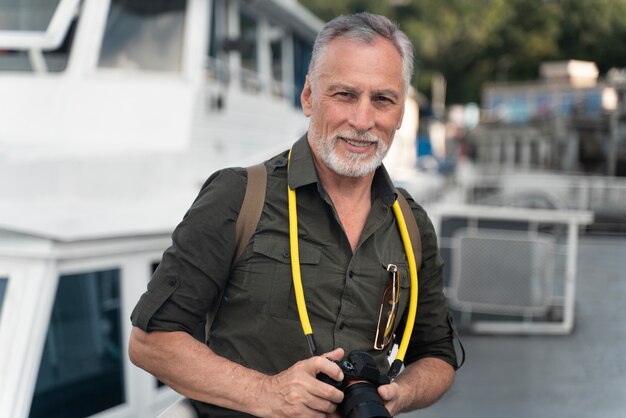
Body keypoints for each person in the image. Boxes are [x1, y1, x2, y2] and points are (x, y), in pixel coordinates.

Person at [129, 12, 459, 417]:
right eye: (344, 95)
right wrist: (268, 392)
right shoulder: (237, 195)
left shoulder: (412, 225)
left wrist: (399, 395)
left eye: (382, 100)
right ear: (308, 97)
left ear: (401, 114)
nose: (362, 120)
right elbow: (151, 343)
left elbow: (439, 357)